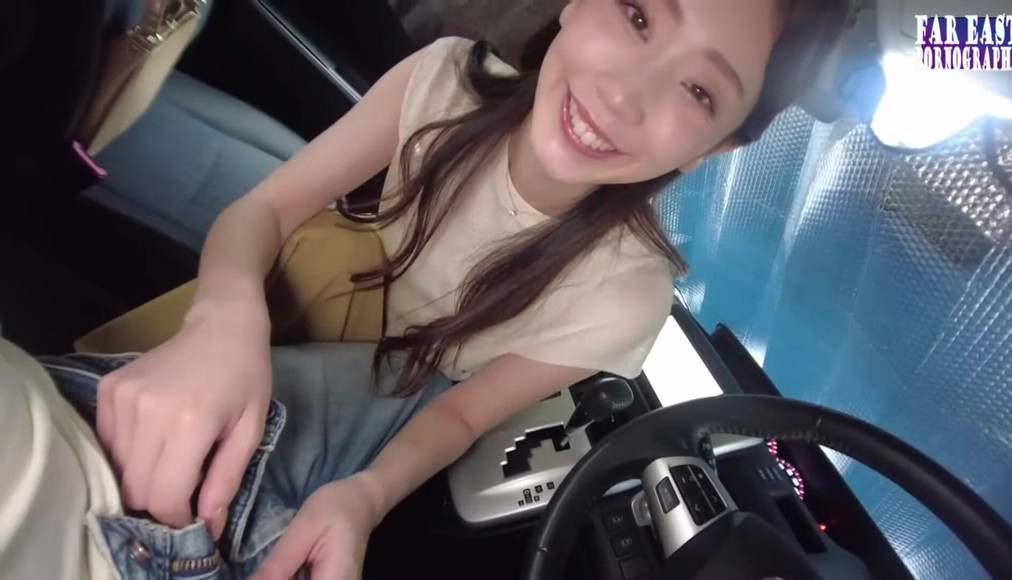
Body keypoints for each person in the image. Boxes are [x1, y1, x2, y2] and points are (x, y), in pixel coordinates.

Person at [1, 1, 849, 578]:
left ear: (714, 149)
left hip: (399, 391)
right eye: (636, 14)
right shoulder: (443, 81)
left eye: (698, 91)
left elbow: (459, 416)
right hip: (319, 275)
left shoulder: (623, 293)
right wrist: (225, 321)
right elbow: (263, 211)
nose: (625, 95)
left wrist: (363, 498)